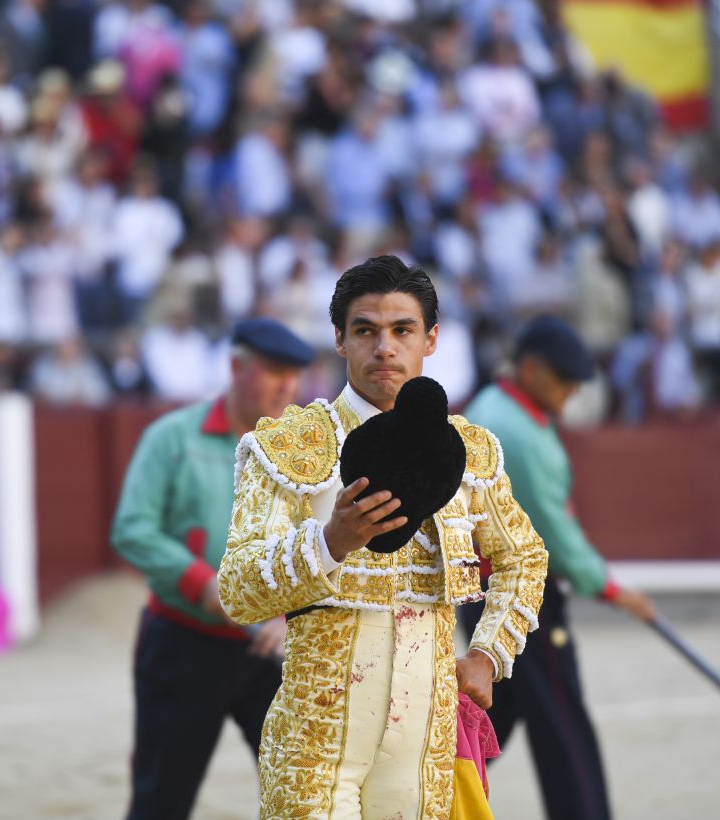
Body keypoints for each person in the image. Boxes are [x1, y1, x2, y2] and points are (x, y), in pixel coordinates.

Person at [216, 255, 548, 819]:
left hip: (425, 742)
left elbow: (524, 557)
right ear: (340, 340)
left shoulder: (473, 451)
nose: (384, 348)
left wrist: (489, 654)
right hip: (314, 740)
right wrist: (331, 540)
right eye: (365, 330)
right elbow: (239, 591)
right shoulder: (287, 445)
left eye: (402, 330)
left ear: (432, 338)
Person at [110, 317, 316, 820]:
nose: (286, 386)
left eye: (294, 374)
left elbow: (319, 545)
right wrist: (204, 585)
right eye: (273, 371)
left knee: (308, 796)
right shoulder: (173, 437)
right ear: (236, 367)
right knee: (162, 798)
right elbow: (132, 529)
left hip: (272, 649)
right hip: (185, 644)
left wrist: (290, 613)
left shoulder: (305, 454)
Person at [461, 315, 655, 820]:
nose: (572, 391)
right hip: (523, 596)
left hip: (484, 589)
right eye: (564, 379)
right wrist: (611, 588)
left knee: (497, 712)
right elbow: (557, 539)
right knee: (561, 720)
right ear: (531, 369)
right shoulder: (518, 434)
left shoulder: (493, 408)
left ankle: (424, 795)